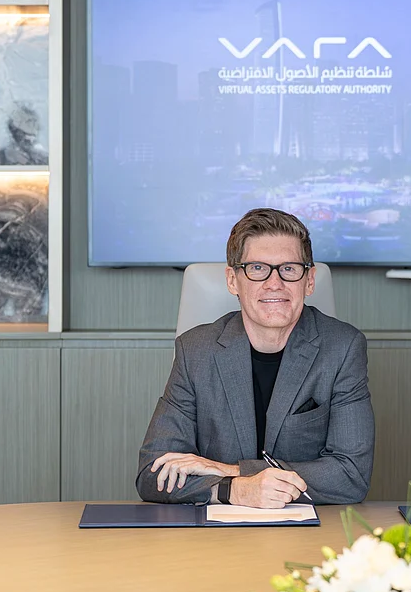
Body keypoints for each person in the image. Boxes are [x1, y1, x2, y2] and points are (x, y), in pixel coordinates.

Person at [137, 208, 374, 507]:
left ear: (309, 280)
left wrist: (232, 472)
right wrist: (232, 490)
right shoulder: (196, 350)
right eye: (257, 268)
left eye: (289, 268)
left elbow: (351, 476)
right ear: (232, 280)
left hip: (309, 528)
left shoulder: (343, 348)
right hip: (216, 531)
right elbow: (153, 473)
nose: (274, 283)